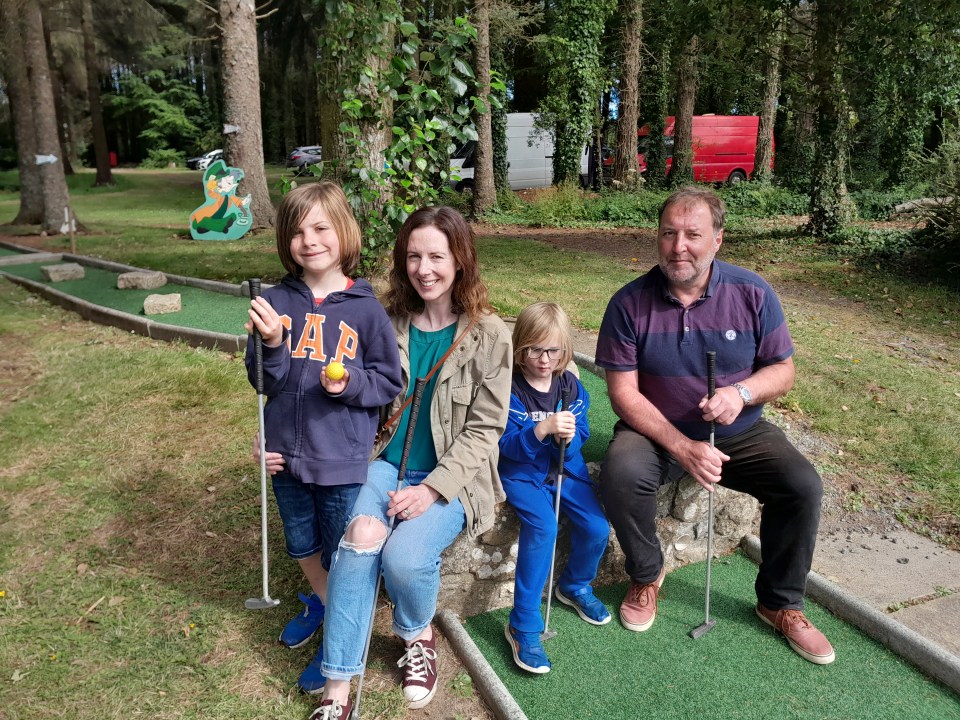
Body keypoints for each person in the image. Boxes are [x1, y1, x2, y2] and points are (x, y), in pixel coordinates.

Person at [595, 186, 835, 665]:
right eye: (668, 234)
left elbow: (782, 370)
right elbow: (623, 394)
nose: (678, 246)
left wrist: (739, 393)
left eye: (692, 235)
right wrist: (682, 447)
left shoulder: (752, 291)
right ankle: (647, 575)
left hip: (739, 432)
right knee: (620, 475)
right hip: (655, 431)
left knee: (802, 485)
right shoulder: (628, 304)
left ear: (718, 240)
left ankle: (779, 603)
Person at [310, 206, 513, 720]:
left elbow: (485, 429)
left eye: (437, 256)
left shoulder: (490, 335)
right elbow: (348, 391)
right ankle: (337, 691)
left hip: (453, 479)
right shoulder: (384, 322)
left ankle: (418, 634)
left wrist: (431, 491)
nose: (425, 268)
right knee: (359, 540)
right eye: (414, 256)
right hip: (384, 464)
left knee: (403, 557)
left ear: (460, 260)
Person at [244, 181, 403, 694]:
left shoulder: (365, 309)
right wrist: (272, 343)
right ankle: (328, 604)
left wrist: (349, 382)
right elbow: (261, 381)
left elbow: (388, 383)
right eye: (296, 231)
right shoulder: (273, 303)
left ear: (343, 233)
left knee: (340, 551)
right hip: (283, 457)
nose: (308, 240)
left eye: (320, 228)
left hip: (340, 458)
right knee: (301, 543)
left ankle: (338, 631)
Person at [499, 302, 611, 674]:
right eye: (534, 349)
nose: (545, 359)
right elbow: (505, 446)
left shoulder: (572, 386)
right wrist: (541, 430)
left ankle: (574, 586)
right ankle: (523, 623)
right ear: (520, 349)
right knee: (543, 527)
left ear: (565, 349)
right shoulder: (510, 389)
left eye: (554, 350)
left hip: (566, 470)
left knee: (596, 527)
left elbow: (582, 432)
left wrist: (569, 439)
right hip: (523, 474)